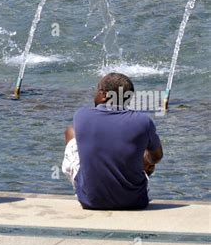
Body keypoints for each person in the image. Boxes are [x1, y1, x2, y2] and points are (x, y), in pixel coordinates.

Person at [62, 73, 163, 210]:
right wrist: (145, 159)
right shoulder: (143, 121)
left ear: (104, 95)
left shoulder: (82, 116)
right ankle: (128, 187)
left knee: (70, 132)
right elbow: (157, 157)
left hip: (90, 201)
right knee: (146, 153)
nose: (95, 93)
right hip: (134, 202)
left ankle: (91, 187)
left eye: (97, 90)